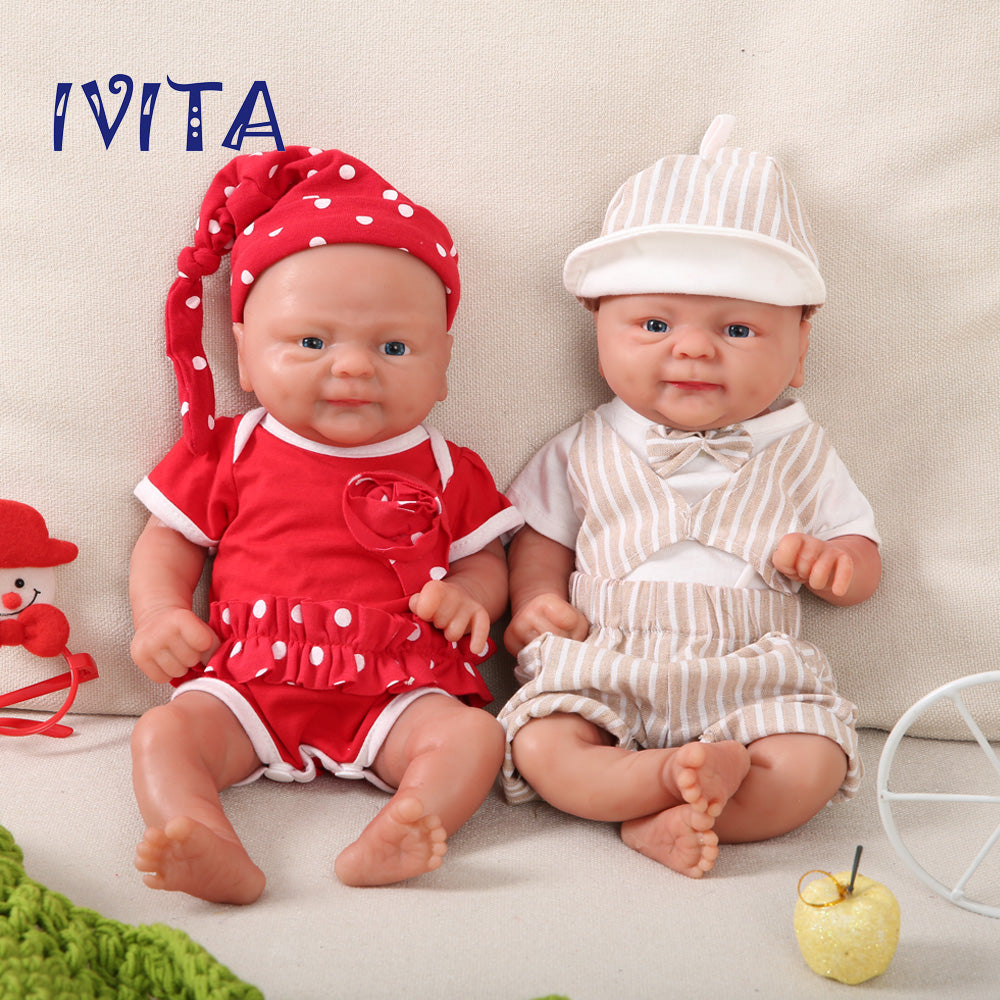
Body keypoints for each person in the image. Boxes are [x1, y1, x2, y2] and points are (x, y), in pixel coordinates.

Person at [129, 147, 522, 903]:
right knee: (164, 734)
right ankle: (202, 839)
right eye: (311, 342)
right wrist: (159, 614)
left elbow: (484, 559)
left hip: (398, 687)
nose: (352, 368)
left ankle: (407, 824)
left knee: (474, 735)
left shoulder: (448, 467)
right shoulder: (231, 448)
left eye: (394, 348)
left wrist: (473, 596)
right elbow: (169, 541)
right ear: (244, 355)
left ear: (443, 364)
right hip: (247, 681)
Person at [498, 116, 881, 879]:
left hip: (752, 669)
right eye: (654, 323)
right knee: (545, 744)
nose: (695, 348)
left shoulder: (803, 450)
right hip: (604, 655)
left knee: (808, 762)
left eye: (737, 329)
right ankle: (663, 784)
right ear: (598, 328)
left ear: (800, 349)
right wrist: (535, 600)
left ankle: (666, 812)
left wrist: (838, 564)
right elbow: (540, 538)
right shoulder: (583, 444)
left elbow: (861, 552)